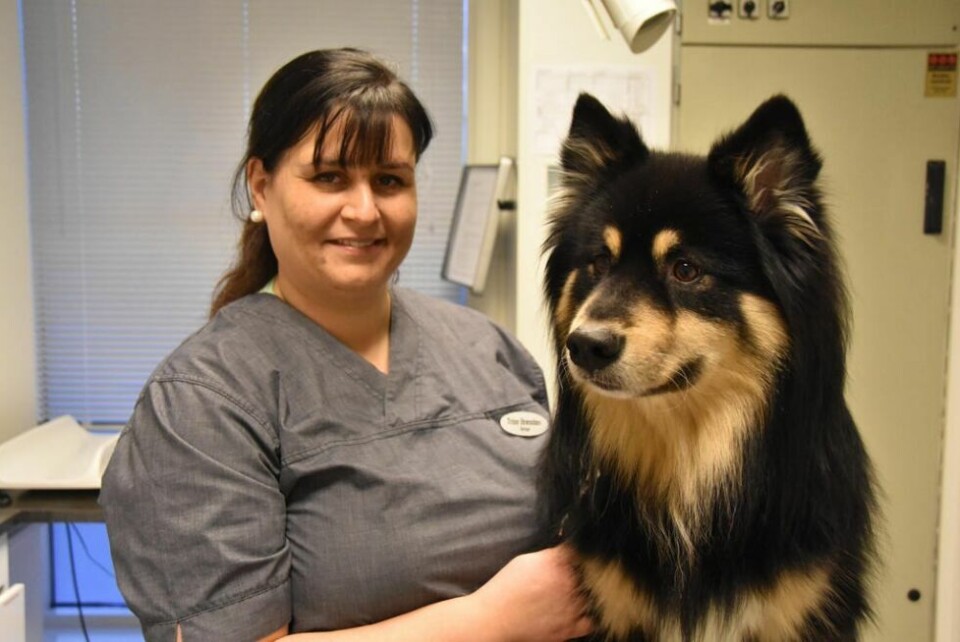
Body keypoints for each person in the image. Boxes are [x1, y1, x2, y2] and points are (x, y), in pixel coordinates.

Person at [99, 48, 592, 642]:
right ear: (262, 186)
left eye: (389, 181)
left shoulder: (487, 348)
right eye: (329, 177)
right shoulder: (201, 405)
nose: (364, 211)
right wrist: (494, 620)